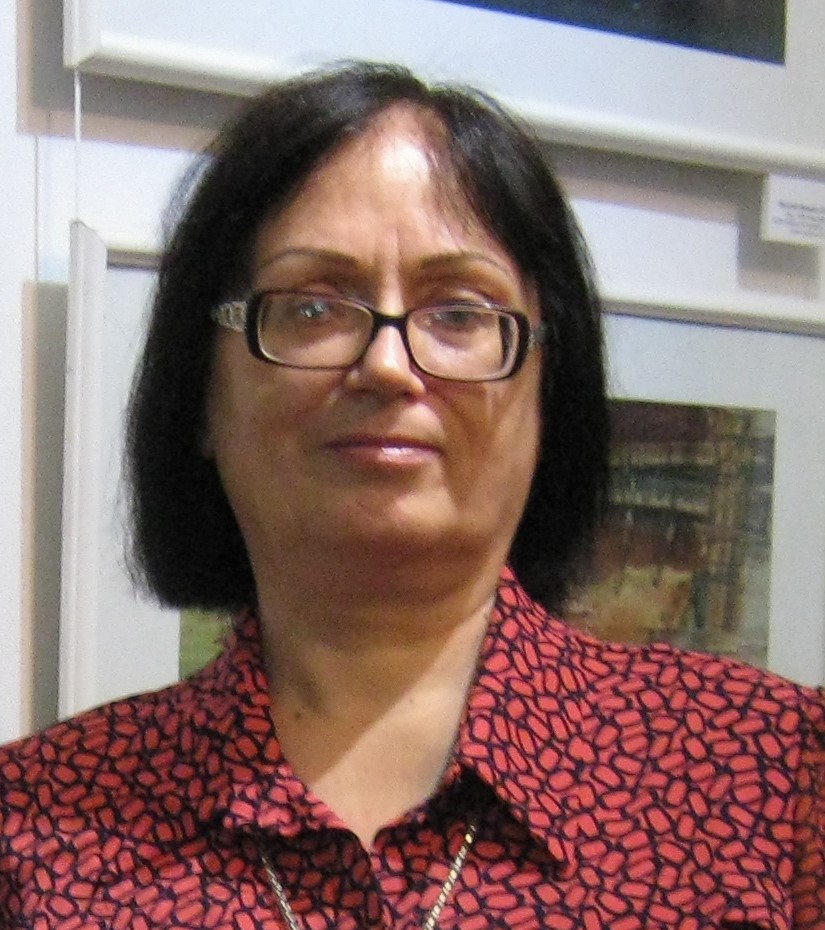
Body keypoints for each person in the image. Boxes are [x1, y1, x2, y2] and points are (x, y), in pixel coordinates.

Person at [1, 61, 823, 929]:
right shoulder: (34, 833)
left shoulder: (773, 777)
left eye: (459, 313)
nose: (387, 366)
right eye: (312, 308)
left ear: (549, 392)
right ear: (201, 394)